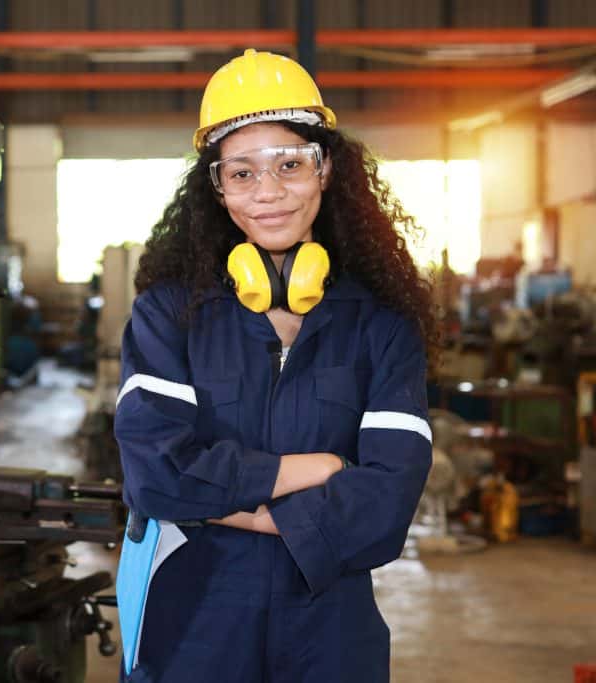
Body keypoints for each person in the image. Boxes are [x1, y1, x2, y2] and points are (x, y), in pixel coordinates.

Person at [113, 49, 437, 683]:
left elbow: (388, 505)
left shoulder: (382, 321)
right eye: (242, 173)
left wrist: (217, 501)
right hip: (193, 623)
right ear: (217, 186)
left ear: (326, 171)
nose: (268, 193)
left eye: (290, 164)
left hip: (331, 627)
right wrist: (320, 469)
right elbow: (154, 480)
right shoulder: (169, 314)